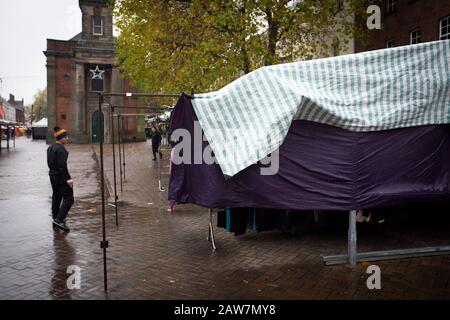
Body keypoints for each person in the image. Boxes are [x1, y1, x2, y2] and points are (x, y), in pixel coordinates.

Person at [47, 126, 74, 232]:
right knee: (69, 198)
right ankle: (59, 219)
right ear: (61, 138)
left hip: (52, 176)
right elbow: (62, 166)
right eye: (66, 137)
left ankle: (55, 219)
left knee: (56, 196)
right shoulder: (61, 149)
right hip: (60, 177)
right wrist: (68, 179)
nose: (67, 138)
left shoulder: (50, 147)